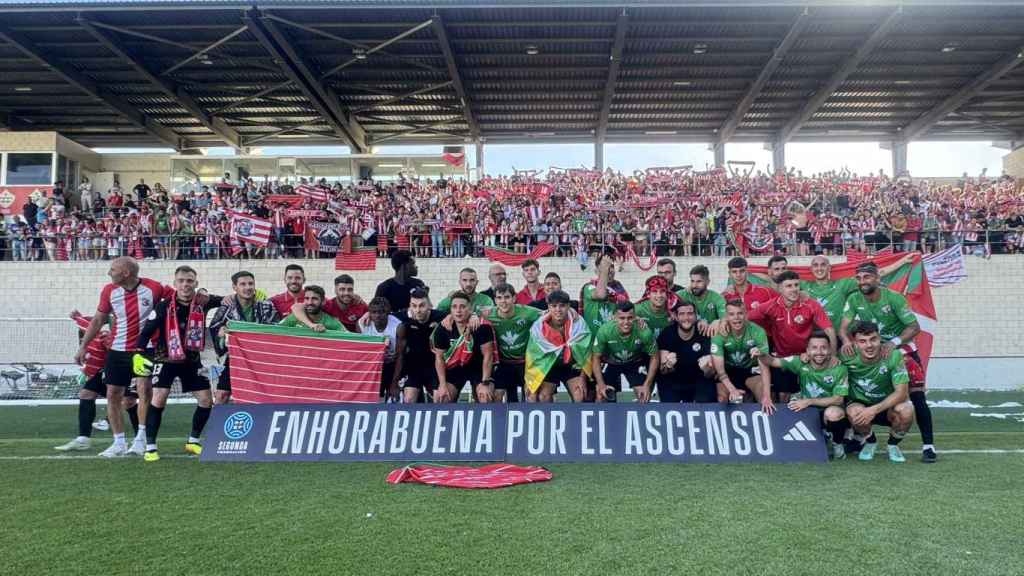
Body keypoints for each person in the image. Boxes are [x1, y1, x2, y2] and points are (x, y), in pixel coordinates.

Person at [74, 257, 172, 458]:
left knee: (144, 391)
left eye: (113, 269)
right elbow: (99, 319)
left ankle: (141, 439)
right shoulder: (109, 291)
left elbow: (180, 296)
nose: (110, 273)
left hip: (145, 349)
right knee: (113, 394)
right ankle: (118, 442)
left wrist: (205, 296)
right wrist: (83, 346)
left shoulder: (154, 288)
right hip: (117, 350)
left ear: (126, 273)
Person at [840, 261, 936, 463]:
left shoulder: (894, 298)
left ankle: (928, 446)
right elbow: (844, 327)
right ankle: (859, 436)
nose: (862, 281)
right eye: (858, 278)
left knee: (917, 398)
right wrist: (847, 342)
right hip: (870, 348)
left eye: (866, 277)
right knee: (853, 389)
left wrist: (894, 343)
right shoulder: (854, 298)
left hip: (899, 349)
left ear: (877, 278)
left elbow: (914, 327)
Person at [132, 266, 223, 462]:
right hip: (166, 359)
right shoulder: (164, 306)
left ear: (196, 284)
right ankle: (150, 447)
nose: (185, 284)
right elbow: (146, 331)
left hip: (191, 360)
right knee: (158, 399)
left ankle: (193, 441)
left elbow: (226, 301)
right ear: (175, 284)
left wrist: (231, 296)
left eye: (189, 281)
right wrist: (138, 354)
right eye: (181, 280)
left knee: (206, 400)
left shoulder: (202, 302)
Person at [753, 330, 850, 459]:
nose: (819, 352)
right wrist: (761, 354)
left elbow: (838, 400)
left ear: (830, 350)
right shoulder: (800, 361)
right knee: (790, 406)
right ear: (807, 351)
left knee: (833, 413)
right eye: (814, 348)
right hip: (808, 411)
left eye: (823, 348)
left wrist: (808, 401)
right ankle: (819, 438)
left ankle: (837, 443)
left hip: (828, 409)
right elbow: (772, 361)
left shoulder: (839, 369)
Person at [54, 311, 140, 451]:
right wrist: (77, 316)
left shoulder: (129, 323)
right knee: (86, 394)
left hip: (128, 366)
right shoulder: (100, 331)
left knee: (128, 401)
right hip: (107, 369)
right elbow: (93, 320)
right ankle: (83, 439)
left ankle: (141, 439)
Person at [748, 270, 836, 401]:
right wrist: (720, 321)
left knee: (810, 394)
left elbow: (829, 330)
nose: (794, 289)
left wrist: (832, 356)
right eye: (789, 286)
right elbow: (746, 317)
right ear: (779, 288)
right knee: (783, 396)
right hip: (782, 359)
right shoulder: (770, 306)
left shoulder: (810, 305)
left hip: (808, 357)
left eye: (796, 285)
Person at [841, 321, 915, 463]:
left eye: (873, 339)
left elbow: (902, 393)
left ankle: (893, 445)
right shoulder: (846, 356)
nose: (869, 345)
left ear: (880, 338)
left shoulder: (894, 355)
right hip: (861, 402)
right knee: (853, 411)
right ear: (855, 343)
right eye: (862, 341)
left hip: (888, 405)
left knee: (906, 410)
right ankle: (870, 442)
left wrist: (873, 410)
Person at [208, 271, 279, 405]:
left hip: (262, 360)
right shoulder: (226, 308)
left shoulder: (266, 306)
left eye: (250, 283)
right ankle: (216, 425)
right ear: (235, 287)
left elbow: (276, 328)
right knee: (222, 395)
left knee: (264, 396)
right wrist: (221, 333)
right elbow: (214, 327)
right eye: (243, 284)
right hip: (236, 358)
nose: (248, 287)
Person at [802, 254, 914, 332]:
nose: (819, 268)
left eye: (823, 265)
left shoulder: (842, 284)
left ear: (829, 268)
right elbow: (784, 281)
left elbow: (873, 274)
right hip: (813, 339)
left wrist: (902, 261)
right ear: (811, 269)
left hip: (837, 337)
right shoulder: (803, 285)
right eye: (815, 265)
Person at [524, 290, 591, 403]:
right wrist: (531, 381)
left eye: (562, 306)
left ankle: (573, 420)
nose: (558, 310)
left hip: (571, 365)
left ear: (568, 306)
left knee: (580, 395)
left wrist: (582, 378)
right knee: (542, 397)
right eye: (554, 306)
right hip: (549, 366)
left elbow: (587, 354)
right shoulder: (538, 328)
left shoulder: (578, 324)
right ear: (548, 307)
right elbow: (532, 357)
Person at [710, 300, 774, 414]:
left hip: (750, 371)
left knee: (764, 398)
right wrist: (732, 390)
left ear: (746, 314)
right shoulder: (719, 333)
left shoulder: (757, 331)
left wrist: (767, 396)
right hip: (728, 371)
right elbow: (720, 371)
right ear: (726, 316)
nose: (736, 318)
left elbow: (764, 367)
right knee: (721, 399)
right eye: (732, 314)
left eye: (740, 313)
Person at [430, 292, 495, 403]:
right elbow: (439, 358)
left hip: (478, 368)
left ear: (470, 309)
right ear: (450, 310)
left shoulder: (482, 327)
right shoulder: (443, 328)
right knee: (442, 397)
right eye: (454, 307)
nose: (458, 310)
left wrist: (485, 383)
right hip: (455, 368)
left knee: (485, 396)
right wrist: (442, 384)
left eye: (462, 307)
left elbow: (488, 356)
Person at [591, 302, 659, 403]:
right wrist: (601, 385)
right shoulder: (605, 331)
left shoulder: (644, 331)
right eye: (622, 318)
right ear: (615, 318)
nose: (626, 322)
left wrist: (647, 385)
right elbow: (595, 358)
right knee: (602, 396)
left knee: (643, 396)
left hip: (634, 363)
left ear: (635, 317)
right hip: (611, 363)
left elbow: (655, 357)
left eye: (630, 318)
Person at [485, 283, 541, 403]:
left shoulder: (527, 312)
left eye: (507, 297)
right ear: (495, 300)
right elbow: (467, 313)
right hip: (504, 363)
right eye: (499, 298)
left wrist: (571, 311)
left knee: (531, 396)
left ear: (514, 298)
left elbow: (549, 313)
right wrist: (474, 316)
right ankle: (499, 421)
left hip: (525, 363)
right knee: (496, 396)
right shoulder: (489, 314)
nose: (503, 301)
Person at [655, 301, 717, 403]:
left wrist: (707, 368)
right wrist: (669, 365)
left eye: (690, 313)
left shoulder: (703, 333)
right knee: (669, 405)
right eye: (682, 314)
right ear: (676, 316)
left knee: (706, 401)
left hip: (698, 379)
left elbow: (710, 374)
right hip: (673, 380)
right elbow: (663, 370)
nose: (686, 318)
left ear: (696, 316)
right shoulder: (667, 333)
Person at [391, 288, 445, 403]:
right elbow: (384, 314)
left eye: (422, 306)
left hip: (434, 367)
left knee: (439, 400)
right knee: (409, 399)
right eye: (414, 306)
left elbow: (458, 316)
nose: (418, 310)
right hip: (413, 368)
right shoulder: (404, 318)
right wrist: (367, 315)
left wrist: (473, 316)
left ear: (429, 305)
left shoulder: (440, 317)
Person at [362, 297, 402, 401]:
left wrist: (394, 383)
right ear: (369, 312)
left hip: (392, 365)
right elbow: (362, 354)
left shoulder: (398, 327)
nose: (378, 315)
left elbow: (400, 357)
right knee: (373, 398)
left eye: (382, 312)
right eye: (374, 312)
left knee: (393, 398)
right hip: (374, 365)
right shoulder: (362, 325)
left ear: (388, 312)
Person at [580, 253, 628, 335]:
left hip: (612, 339)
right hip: (593, 339)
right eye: (605, 267)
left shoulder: (620, 288)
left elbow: (627, 310)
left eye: (611, 266)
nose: (609, 269)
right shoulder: (589, 287)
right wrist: (605, 270)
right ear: (596, 271)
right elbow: (601, 294)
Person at [676, 264, 727, 336]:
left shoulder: (716, 297)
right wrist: (697, 321)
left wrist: (718, 321)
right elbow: (667, 302)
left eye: (699, 281)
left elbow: (726, 316)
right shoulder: (684, 294)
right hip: (687, 336)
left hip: (710, 336)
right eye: (692, 281)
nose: (694, 285)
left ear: (708, 282)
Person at [282, 285, 346, 332]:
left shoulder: (332, 322)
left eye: (314, 299)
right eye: (307, 298)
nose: (310, 302)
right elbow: (276, 330)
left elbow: (348, 337)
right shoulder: (294, 317)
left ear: (323, 302)